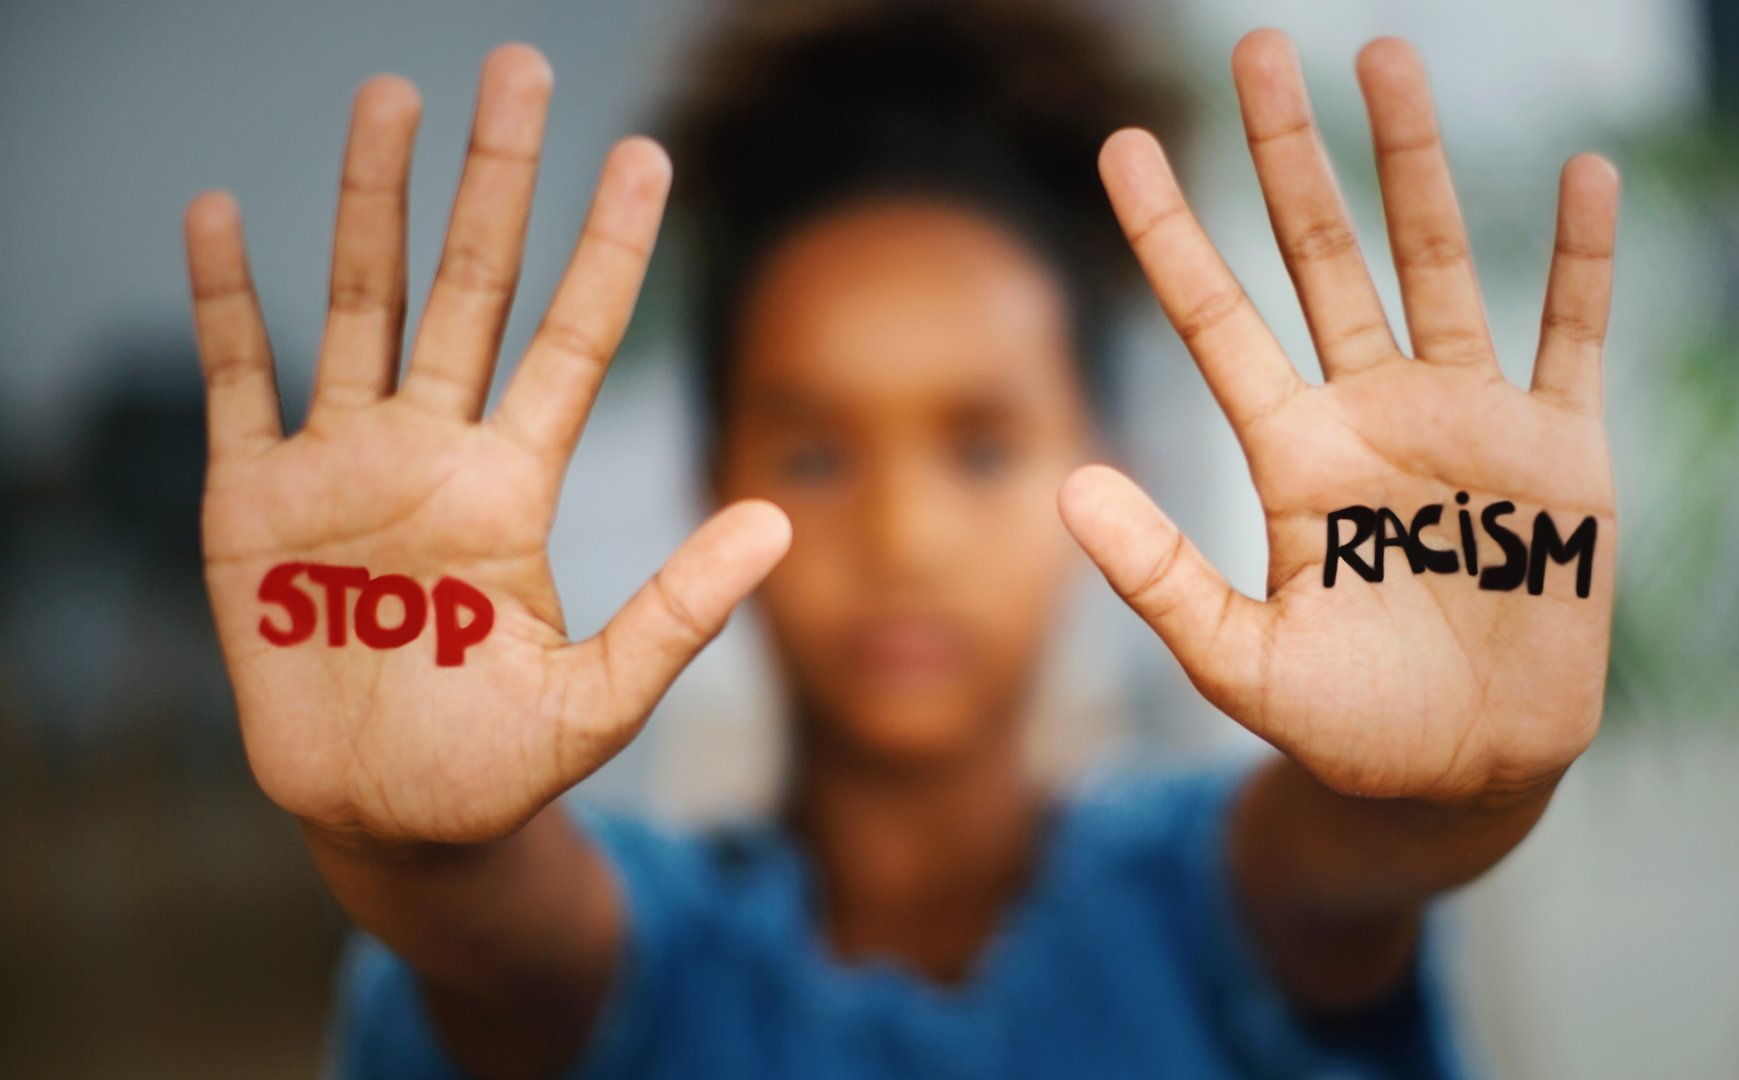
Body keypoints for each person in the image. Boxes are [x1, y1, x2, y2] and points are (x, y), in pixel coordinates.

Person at [179, 2, 1620, 1077]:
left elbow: (1343, 866)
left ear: (1102, 458)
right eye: (814, 449)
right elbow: (512, 943)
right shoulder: (650, 945)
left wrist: (1452, 799)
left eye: (982, 443)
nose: (905, 531)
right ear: (707, 472)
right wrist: (423, 853)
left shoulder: (1211, 899)